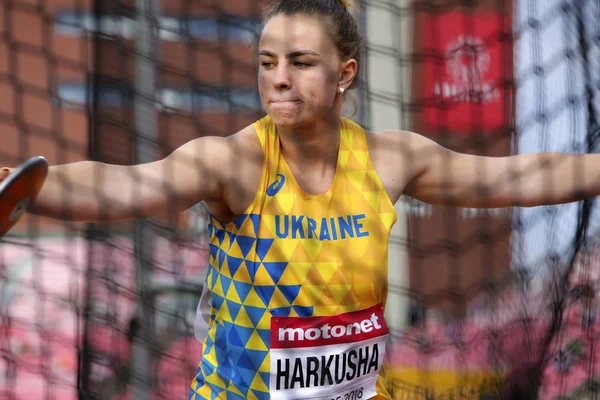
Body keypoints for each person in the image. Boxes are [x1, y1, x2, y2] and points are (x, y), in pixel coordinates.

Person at [2, 0, 600, 398]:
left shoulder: (390, 159)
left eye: (300, 62)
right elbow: (125, 185)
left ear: (346, 73)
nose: (278, 78)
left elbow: (517, 177)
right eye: (267, 62)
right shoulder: (235, 161)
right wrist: (26, 183)